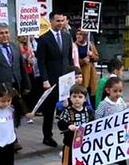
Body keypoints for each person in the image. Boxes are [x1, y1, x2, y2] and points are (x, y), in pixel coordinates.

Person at [36, 11, 75, 147]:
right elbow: (41, 62)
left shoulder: (66, 36)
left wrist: (72, 75)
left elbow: (69, 58)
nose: (60, 23)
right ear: (51, 21)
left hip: (65, 79)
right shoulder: (44, 39)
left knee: (68, 106)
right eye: (58, 21)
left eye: (62, 20)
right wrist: (45, 80)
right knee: (49, 109)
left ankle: (69, 131)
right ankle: (47, 136)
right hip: (51, 80)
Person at [57, 84, 99, 165]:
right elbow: (60, 123)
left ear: (85, 99)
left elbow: (93, 123)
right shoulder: (67, 111)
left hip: (85, 144)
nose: (77, 99)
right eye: (74, 96)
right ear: (70, 98)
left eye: (80, 97)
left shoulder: (88, 111)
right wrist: (68, 125)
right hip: (70, 144)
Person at [75, 29, 99, 102]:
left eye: (80, 34)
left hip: (91, 71)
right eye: (77, 34)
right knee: (82, 89)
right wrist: (82, 61)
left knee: (91, 90)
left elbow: (97, 57)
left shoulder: (90, 45)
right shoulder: (74, 45)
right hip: (81, 71)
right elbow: (73, 59)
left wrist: (92, 55)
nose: (78, 36)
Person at [17, 35, 36, 113]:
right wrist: (25, 57)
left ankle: (30, 108)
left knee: (31, 90)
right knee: (24, 91)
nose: (25, 38)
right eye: (22, 36)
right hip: (22, 72)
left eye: (26, 36)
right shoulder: (17, 48)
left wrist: (31, 59)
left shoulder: (28, 47)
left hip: (30, 71)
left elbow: (33, 60)